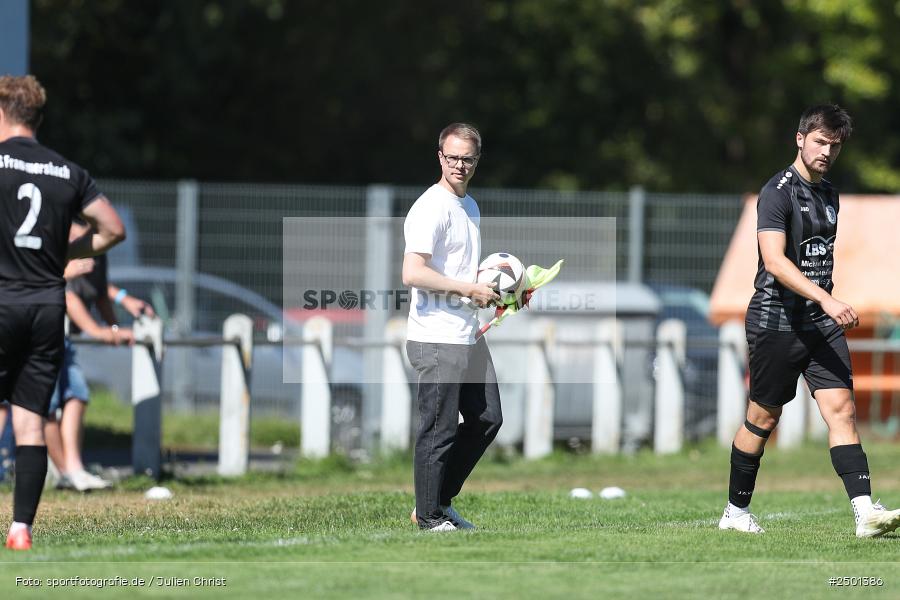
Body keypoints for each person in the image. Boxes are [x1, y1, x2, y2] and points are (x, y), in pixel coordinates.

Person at [718, 104, 900, 537]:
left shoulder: (829, 193)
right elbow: (775, 263)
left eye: (834, 145)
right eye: (819, 141)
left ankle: (865, 514)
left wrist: (824, 305)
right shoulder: (776, 192)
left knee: (842, 411)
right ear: (800, 139)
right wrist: (828, 298)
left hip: (819, 324)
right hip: (775, 323)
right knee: (762, 419)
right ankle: (734, 512)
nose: (826, 151)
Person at [0, 74, 125, 550]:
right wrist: (65, 254)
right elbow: (111, 229)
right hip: (47, 307)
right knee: (30, 420)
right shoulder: (67, 172)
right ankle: (20, 529)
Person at [402, 122, 502, 531]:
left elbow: (460, 270)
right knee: (438, 429)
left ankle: (439, 501)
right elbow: (413, 272)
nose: (459, 165)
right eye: (452, 157)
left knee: (487, 419)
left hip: (465, 333)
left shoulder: (470, 206)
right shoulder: (431, 206)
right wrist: (467, 289)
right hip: (435, 335)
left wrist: (504, 291)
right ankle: (428, 517)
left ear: (477, 161)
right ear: (440, 157)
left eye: (467, 158)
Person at [44, 222, 154, 492]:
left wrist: (114, 326)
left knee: (77, 394)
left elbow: (99, 289)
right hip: (38, 332)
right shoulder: (53, 233)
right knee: (43, 408)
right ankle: (65, 474)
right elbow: (63, 292)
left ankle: (73, 469)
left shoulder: (93, 247)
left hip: (61, 338)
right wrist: (98, 331)